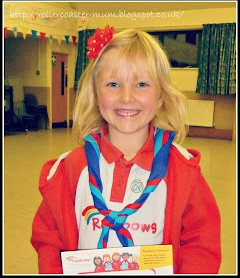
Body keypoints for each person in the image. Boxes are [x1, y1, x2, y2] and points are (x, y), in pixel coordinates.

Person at [30, 25, 221, 274]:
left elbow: (201, 243)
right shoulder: (71, 168)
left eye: (141, 84)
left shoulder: (182, 170)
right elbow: (49, 237)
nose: (127, 97)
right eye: (113, 84)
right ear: (96, 95)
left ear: (161, 96)